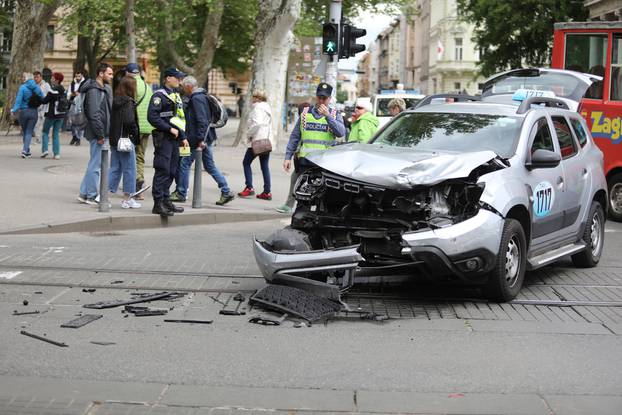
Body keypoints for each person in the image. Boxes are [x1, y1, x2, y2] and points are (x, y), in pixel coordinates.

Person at [170, 75, 235, 206]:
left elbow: (202, 120)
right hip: (204, 138)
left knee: (184, 163)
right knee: (209, 166)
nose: (182, 88)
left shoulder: (197, 99)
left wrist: (200, 139)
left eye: (183, 86)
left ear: (189, 86)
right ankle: (226, 191)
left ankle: (181, 193)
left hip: (198, 140)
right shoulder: (201, 96)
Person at [147, 66, 188, 216]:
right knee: (162, 169)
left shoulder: (175, 95)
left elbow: (179, 118)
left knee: (172, 171)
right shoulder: (159, 95)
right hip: (163, 138)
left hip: (175, 140)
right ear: (168, 78)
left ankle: (166, 200)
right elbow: (152, 117)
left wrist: (183, 137)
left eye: (181, 78)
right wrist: (168, 129)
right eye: (178, 78)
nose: (180, 80)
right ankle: (158, 203)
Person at [283, 82, 346, 175]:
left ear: (329, 99)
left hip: (324, 163)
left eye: (324, 98)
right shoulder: (305, 113)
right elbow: (295, 137)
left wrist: (328, 116)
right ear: (316, 97)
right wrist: (288, 157)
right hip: (305, 162)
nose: (321, 101)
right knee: (297, 187)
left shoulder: (334, 114)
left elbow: (341, 133)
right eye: (319, 97)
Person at [77, 62, 114, 205]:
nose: (111, 76)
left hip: (101, 131)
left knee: (94, 163)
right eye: (109, 74)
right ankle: (91, 196)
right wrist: (100, 135)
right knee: (96, 165)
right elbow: (94, 114)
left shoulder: (103, 89)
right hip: (98, 133)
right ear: (101, 73)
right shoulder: (94, 90)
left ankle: (84, 193)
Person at [108, 75, 141, 209]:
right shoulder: (128, 102)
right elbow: (129, 121)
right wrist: (135, 133)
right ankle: (128, 198)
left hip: (115, 139)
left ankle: (104, 195)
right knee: (130, 169)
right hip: (126, 140)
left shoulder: (115, 101)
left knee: (115, 168)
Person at [238, 90, 274, 200]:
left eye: (254, 96)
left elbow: (257, 124)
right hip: (266, 140)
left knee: (246, 162)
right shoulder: (267, 108)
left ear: (258, 98)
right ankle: (267, 192)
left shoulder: (257, 108)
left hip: (257, 140)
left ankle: (249, 187)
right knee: (264, 166)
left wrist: (249, 134)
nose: (252, 98)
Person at [276, 101, 310, 214]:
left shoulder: (306, 122)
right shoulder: (305, 121)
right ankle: (291, 206)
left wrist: (291, 156)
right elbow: (295, 138)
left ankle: (292, 206)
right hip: (303, 161)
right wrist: (289, 157)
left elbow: (297, 140)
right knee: (296, 180)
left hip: (306, 161)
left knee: (298, 182)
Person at [125, 63, 153, 200]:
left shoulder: (130, 85)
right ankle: (139, 185)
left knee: (129, 157)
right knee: (140, 156)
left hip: (134, 127)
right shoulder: (147, 87)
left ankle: (134, 186)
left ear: (128, 73)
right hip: (147, 127)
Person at [10, 72, 43, 158]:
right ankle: (26, 150)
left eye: (24, 77)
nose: (22, 78)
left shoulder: (22, 87)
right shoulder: (37, 87)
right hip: (33, 112)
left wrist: (14, 110)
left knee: (25, 132)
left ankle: (25, 150)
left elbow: (18, 100)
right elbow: (42, 98)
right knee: (29, 131)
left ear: (27, 78)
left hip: (23, 112)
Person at [40, 72, 68, 159]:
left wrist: (39, 96)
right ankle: (57, 154)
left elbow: (44, 101)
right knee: (55, 134)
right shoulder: (63, 90)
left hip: (51, 114)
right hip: (61, 114)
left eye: (52, 78)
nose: (51, 79)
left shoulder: (52, 90)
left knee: (45, 132)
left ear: (57, 80)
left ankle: (45, 150)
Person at [32, 71, 51, 145]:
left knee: (45, 124)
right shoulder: (33, 85)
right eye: (35, 77)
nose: (36, 78)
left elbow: (50, 94)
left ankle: (47, 139)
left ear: (41, 77)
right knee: (36, 124)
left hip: (45, 107)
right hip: (36, 107)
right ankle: (37, 139)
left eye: (37, 77)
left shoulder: (46, 85)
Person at [68, 70, 86, 145]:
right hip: (73, 104)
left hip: (81, 105)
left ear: (82, 76)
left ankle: (78, 139)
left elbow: (86, 93)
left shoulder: (85, 83)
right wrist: (72, 94)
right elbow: (68, 93)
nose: (78, 78)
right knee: (72, 122)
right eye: (76, 76)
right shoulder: (72, 83)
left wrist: (80, 94)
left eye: (79, 76)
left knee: (80, 123)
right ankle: (74, 136)